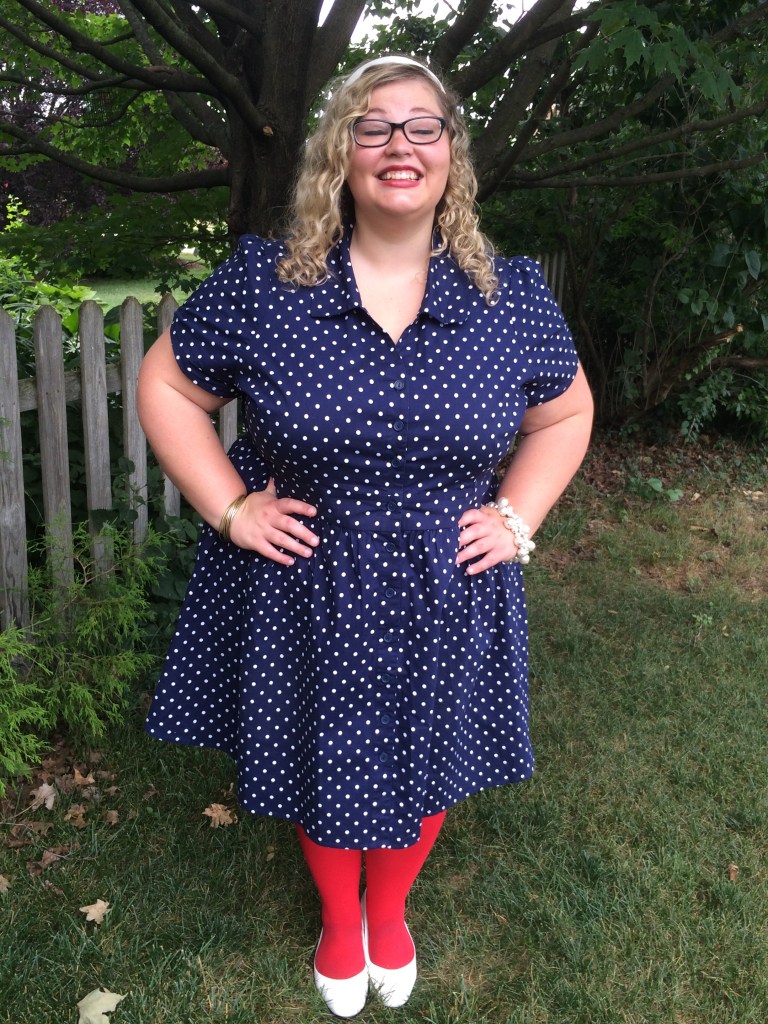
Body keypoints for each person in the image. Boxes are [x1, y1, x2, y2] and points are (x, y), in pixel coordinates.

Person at [137, 53, 593, 1018]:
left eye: (423, 126)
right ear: (339, 153)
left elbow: (565, 413)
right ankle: (341, 924)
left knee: (430, 754)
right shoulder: (267, 283)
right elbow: (168, 386)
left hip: (447, 579)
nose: (399, 145)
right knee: (324, 751)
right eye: (373, 126)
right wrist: (232, 508)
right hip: (308, 576)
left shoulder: (508, 296)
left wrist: (516, 517)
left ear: (451, 153)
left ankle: (389, 913)